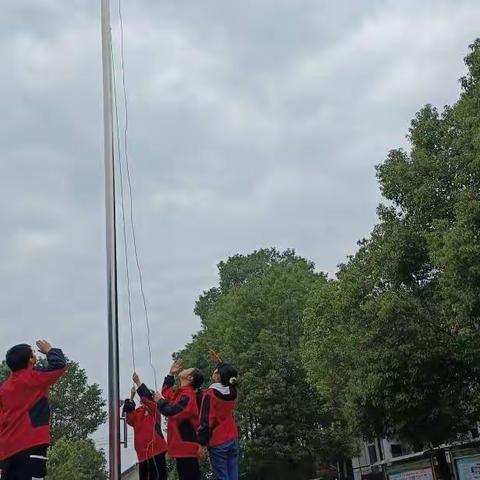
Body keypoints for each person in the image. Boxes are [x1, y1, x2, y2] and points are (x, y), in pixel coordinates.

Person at [0, 340, 67, 480]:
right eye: (33, 353)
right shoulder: (33, 378)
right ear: (30, 360)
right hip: (30, 444)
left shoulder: (4, 388)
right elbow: (59, 366)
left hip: (7, 450)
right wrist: (50, 350)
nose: (36, 355)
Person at [154, 359, 204, 480]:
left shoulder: (188, 395)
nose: (184, 369)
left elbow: (172, 412)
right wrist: (171, 374)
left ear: (190, 377)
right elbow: (166, 393)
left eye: (188, 369)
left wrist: (160, 401)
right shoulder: (182, 393)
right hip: (181, 447)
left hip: (186, 446)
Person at [198, 350, 239, 480]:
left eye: (217, 371)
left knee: (222, 476)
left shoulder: (210, 394)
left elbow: (206, 420)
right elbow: (230, 376)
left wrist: (202, 443)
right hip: (232, 437)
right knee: (233, 475)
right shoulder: (233, 392)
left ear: (218, 376)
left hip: (217, 440)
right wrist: (220, 363)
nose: (215, 372)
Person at [123, 372, 168, 480]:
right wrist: (131, 397)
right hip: (142, 453)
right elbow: (129, 418)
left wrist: (138, 382)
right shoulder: (138, 412)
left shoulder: (154, 408)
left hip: (156, 450)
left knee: (158, 477)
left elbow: (146, 398)